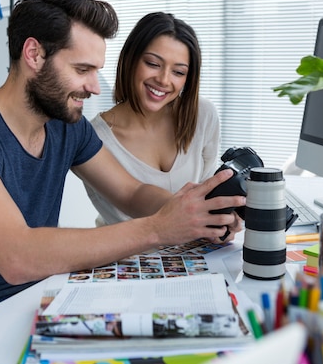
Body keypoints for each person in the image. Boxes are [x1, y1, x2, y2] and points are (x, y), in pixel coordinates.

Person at [0, 0, 244, 344]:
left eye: (96, 70)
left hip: (42, 300)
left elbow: (131, 191)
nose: (95, 87)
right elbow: (16, 256)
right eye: (82, 69)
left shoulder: (66, 127)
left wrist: (195, 213)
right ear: (34, 54)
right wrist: (159, 229)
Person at [83, 12, 223, 227]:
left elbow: (208, 193)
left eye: (178, 72)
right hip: (128, 258)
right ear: (130, 59)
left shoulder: (202, 115)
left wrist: (221, 220)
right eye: (153, 63)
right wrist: (193, 216)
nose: (164, 80)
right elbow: (132, 197)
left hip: (197, 253)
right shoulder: (94, 137)